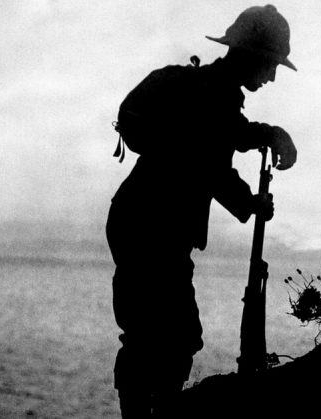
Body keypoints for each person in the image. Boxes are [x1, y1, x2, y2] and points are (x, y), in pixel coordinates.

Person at [106, 5, 298, 417]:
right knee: (164, 337)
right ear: (251, 56)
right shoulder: (212, 97)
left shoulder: (213, 95)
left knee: (163, 335)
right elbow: (211, 164)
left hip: (143, 222)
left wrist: (268, 135)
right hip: (149, 227)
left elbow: (225, 136)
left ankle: (153, 410)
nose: (272, 76)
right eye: (271, 64)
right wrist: (250, 203)